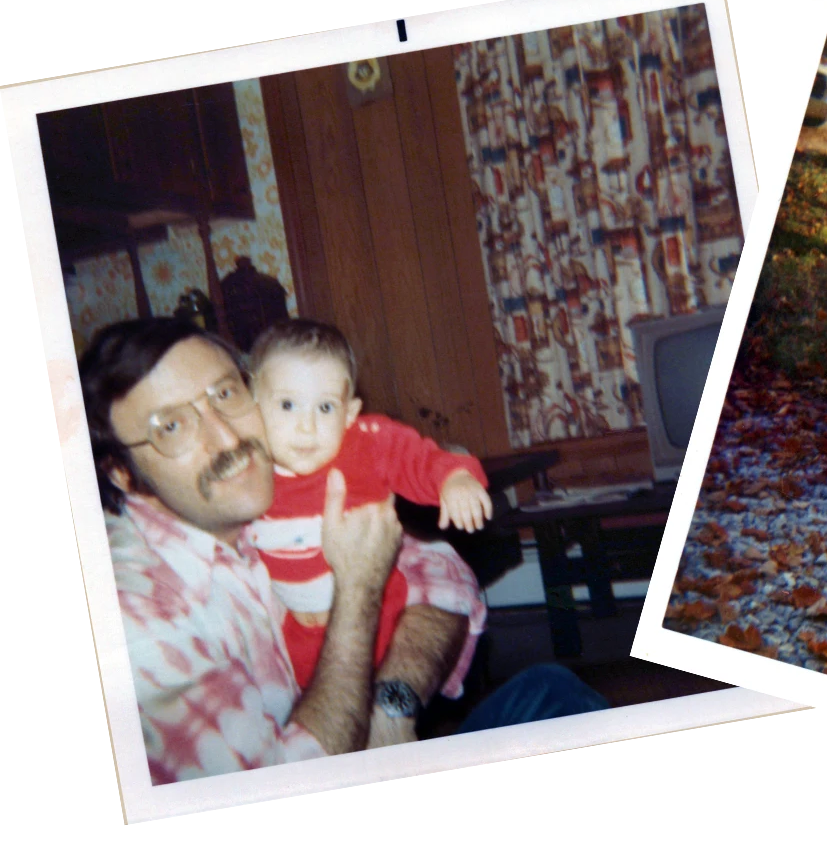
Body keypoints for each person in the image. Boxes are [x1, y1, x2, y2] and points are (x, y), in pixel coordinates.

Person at [82, 318, 606, 784]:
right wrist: (357, 589)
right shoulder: (136, 620)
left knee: (553, 692)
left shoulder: (242, 494)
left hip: (375, 738)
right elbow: (285, 793)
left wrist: (391, 708)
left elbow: (438, 568)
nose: (224, 437)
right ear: (121, 473)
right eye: (171, 426)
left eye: (224, 395)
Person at [245, 319, 492, 692]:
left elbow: (418, 458)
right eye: (288, 405)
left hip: (379, 619)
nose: (306, 426)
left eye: (325, 407)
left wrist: (455, 478)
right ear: (254, 405)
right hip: (296, 632)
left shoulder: (366, 444)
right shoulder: (249, 468)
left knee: (377, 699)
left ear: (349, 413)